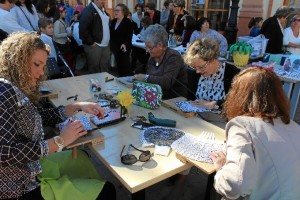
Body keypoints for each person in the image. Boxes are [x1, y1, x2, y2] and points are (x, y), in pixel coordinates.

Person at [0, 32, 116, 200]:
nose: (41, 73)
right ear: (17, 60)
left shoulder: (13, 88)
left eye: (43, 66)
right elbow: (3, 153)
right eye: (36, 64)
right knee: (108, 191)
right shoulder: (5, 91)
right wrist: (59, 141)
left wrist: (75, 107)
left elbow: (35, 117)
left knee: (82, 157)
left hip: (30, 167)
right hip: (20, 188)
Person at [210, 67, 300, 199]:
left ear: (239, 95)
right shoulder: (294, 127)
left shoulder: (242, 125)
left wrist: (221, 170)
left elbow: (235, 185)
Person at [133, 24, 187, 100]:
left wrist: (145, 77)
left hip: (173, 100)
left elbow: (166, 82)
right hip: (156, 97)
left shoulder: (173, 57)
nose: (147, 51)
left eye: (150, 47)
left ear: (160, 45)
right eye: (146, 47)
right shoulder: (152, 57)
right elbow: (151, 79)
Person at [184, 37, 240, 109]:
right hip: (196, 116)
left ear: (213, 60)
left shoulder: (232, 73)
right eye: (194, 67)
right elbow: (190, 98)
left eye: (201, 67)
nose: (197, 71)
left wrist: (213, 104)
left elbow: (236, 101)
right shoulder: (195, 74)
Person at [79, 0, 110, 74]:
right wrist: (91, 42)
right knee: (94, 70)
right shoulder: (88, 10)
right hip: (95, 46)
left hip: (105, 45)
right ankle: (95, 86)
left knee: (105, 68)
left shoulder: (103, 9)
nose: (104, 1)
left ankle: (104, 85)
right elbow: (82, 29)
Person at [110, 3, 133, 77]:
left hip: (124, 48)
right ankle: (121, 83)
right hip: (115, 48)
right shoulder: (113, 21)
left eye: (117, 10)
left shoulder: (127, 22)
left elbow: (129, 35)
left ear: (123, 11)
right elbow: (112, 35)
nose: (115, 12)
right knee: (119, 68)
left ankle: (128, 84)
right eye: (115, 10)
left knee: (125, 68)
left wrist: (125, 44)